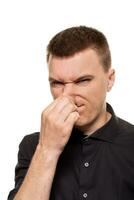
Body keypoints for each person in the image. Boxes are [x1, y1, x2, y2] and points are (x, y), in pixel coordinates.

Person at [8, 26, 134, 200]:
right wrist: (47, 150)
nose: (66, 96)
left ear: (110, 80)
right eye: (57, 83)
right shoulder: (34, 146)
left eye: (82, 81)